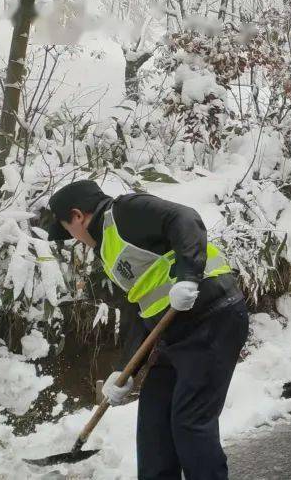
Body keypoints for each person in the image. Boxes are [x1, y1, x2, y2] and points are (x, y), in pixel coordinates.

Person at [47, 180, 247, 479]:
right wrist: (124, 369)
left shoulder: (125, 211)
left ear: (78, 216)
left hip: (212, 317)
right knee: (154, 424)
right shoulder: (108, 250)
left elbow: (185, 217)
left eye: (68, 230)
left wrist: (189, 275)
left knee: (189, 423)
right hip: (175, 334)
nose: (74, 238)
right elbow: (139, 311)